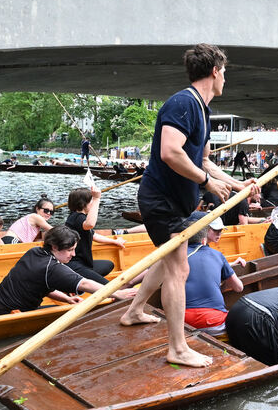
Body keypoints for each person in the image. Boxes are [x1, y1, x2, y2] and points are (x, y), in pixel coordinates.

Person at [119, 43, 252, 369]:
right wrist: (207, 184)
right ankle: (177, 348)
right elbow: (170, 152)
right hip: (161, 201)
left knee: (167, 263)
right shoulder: (183, 104)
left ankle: (134, 311)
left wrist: (238, 185)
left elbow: (204, 161)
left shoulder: (203, 112)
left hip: (177, 203)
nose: (226, 79)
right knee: (180, 268)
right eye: (225, 73)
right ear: (215, 71)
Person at [0, 226, 132, 317]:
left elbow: (42, 288)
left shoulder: (34, 251)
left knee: (67, 306)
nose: (73, 255)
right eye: (69, 250)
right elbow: (85, 283)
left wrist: (67, 299)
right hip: (6, 313)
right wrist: (117, 293)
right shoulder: (52, 268)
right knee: (73, 316)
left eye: (74, 250)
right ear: (54, 246)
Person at [182, 211, 244, 333]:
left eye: (221, 230)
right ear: (205, 230)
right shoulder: (217, 255)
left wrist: (228, 265)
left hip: (182, 321)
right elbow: (239, 288)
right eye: (216, 230)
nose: (219, 234)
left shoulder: (176, 253)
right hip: (213, 321)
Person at [63, 187, 125, 284]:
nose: (93, 203)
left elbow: (94, 235)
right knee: (110, 287)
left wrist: (114, 241)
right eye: (91, 201)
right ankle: (77, 282)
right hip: (74, 265)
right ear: (83, 204)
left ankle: (81, 281)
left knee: (108, 265)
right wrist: (96, 199)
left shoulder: (78, 217)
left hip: (84, 263)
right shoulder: (77, 218)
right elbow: (90, 224)